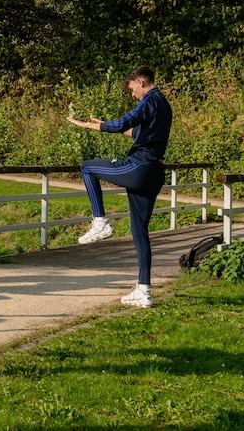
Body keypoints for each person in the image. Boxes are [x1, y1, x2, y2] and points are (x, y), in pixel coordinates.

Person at [65, 65, 172, 309]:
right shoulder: (163, 104)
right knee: (139, 232)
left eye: (132, 89)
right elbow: (137, 133)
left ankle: (100, 222)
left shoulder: (150, 100)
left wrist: (89, 126)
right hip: (154, 173)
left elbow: (123, 123)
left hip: (140, 168)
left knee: (88, 167)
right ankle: (144, 291)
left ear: (140, 82)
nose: (133, 94)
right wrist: (105, 123)